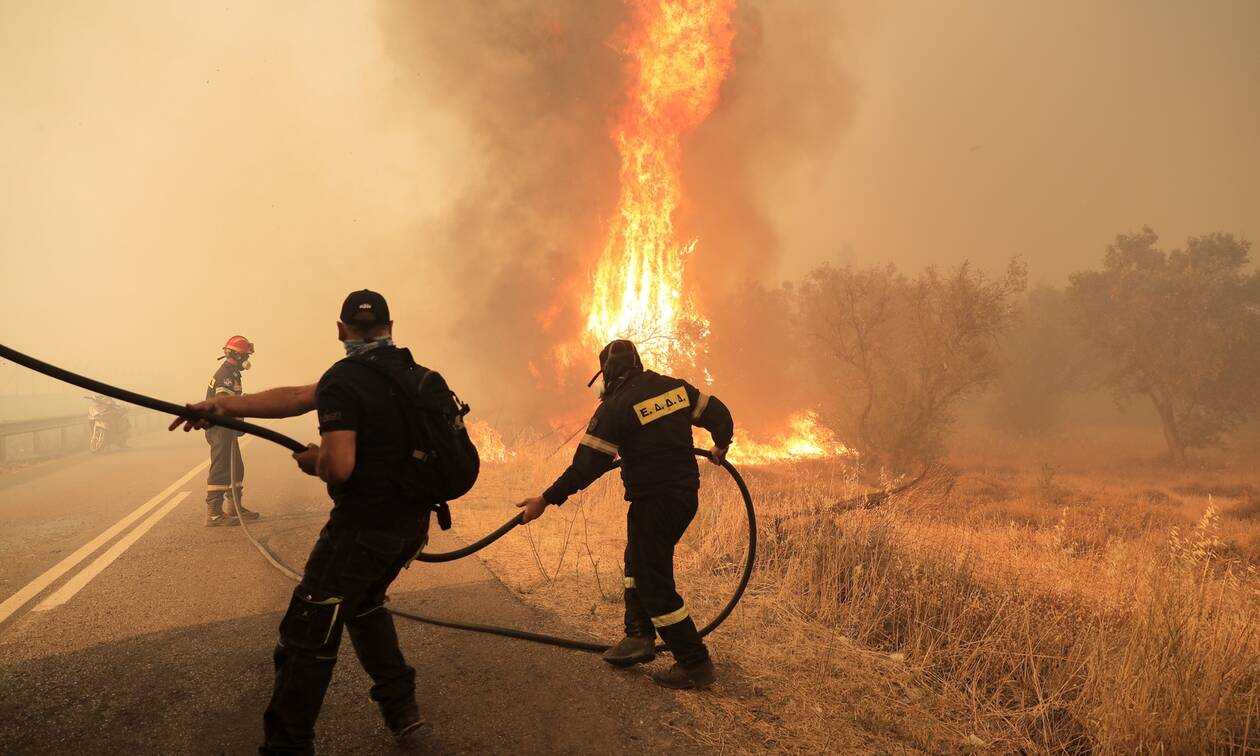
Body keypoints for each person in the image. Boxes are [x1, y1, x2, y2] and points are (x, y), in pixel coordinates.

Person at [172, 291, 433, 751]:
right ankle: (405, 717)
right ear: (392, 327)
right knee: (366, 608)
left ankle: (287, 746)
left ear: (340, 329)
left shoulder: (346, 379)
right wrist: (220, 407)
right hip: (411, 525)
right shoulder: (415, 374)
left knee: (308, 633)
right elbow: (296, 397)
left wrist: (315, 461)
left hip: (361, 530)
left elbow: (340, 467)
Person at [515, 339, 735, 690]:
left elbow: (584, 468)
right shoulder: (673, 388)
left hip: (655, 502)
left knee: (652, 579)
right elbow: (719, 413)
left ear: (609, 372)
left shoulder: (615, 408)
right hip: (682, 497)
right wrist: (721, 444)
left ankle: (694, 662)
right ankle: (638, 636)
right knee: (636, 560)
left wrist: (545, 499)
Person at [205, 335, 261, 526]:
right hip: (219, 428)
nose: (247, 359)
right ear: (237, 356)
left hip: (226, 428)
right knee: (221, 468)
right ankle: (213, 513)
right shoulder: (225, 376)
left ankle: (234, 507)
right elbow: (224, 405)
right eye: (245, 355)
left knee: (236, 466)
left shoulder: (233, 373)